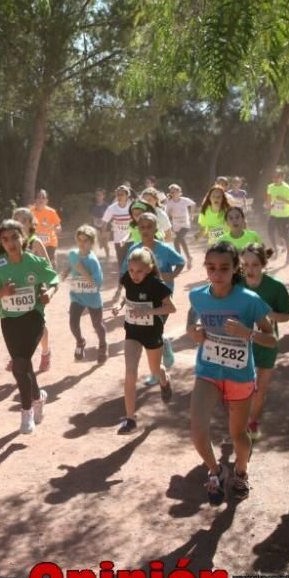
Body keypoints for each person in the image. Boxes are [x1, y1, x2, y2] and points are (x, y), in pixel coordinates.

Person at [188, 242, 275, 503]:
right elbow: (191, 324)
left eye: (224, 268)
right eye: (211, 267)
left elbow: (271, 339)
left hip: (239, 375)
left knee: (238, 435)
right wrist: (193, 332)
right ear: (205, 268)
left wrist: (247, 334)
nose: (217, 273)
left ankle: (241, 471)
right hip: (208, 370)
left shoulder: (249, 300)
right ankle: (216, 471)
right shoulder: (197, 296)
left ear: (235, 268)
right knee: (197, 430)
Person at [0, 220, 59, 435]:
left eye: (15, 237)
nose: (11, 243)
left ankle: (26, 413)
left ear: (23, 238)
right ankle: (38, 397)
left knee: (19, 364)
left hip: (33, 318)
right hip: (10, 321)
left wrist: (48, 294)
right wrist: (2, 292)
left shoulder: (34, 262)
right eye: (5, 240)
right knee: (24, 365)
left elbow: (54, 279)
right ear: (1, 243)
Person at [112, 247, 176, 434]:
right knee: (130, 372)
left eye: (139, 271)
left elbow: (171, 308)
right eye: (131, 270)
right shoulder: (127, 279)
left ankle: (164, 381)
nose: (134, 275)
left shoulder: (155, 284)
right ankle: (130, 419)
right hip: (132, 332)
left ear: (148, 268)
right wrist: (119, 304)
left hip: (152, 332)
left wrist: (149, 311)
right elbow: (126, 294)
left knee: (155, 370)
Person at [240, 244, 289, 441]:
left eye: (255, 265)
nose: (250, 269)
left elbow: (285, 317)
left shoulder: (275, 287)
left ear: (263, 265)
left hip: (266, 343)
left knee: (259, 389)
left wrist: (265, 313)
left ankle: (252, 422)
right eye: (245, 264)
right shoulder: (235, 283)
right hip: (240, 344)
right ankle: (239, 423)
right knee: (240, 387)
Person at [122, 212, 186, 369]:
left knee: (154, 328)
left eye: (149, 227)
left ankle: (157, 365)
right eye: (142, 227)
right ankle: (161, 349)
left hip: (162, 297)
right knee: (149, 329)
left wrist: (172, 275)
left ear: (156, 228)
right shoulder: (134, 250)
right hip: (142, 298)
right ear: (138, 229)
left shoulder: (164, 249)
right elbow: (125, 271)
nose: (145, 230)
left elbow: (181, 262)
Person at [12, 207, 54, 372]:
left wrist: (44, 287)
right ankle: (19, 357)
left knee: (37, 325)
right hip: (16, 290)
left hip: (35, 289)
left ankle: (45, 352)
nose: (19, 223)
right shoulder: (9, 242)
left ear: (31, 223)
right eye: (16, 219)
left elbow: (48, 267)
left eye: (23, 220)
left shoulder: (35, 242)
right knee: (16, 324)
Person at [63, 225, 107, 363]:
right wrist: (66, 271)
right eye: (79, 240)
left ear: (91, 243)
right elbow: (72, 263)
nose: (82, 243)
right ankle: (80, 342)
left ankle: (103, 345)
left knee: (97, 325)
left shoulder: (93, 261)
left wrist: (81, 270)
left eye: (85, 241)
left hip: (92, 298)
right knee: (73, 323)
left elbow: (96, 284)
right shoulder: (73, 254)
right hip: (77, 296)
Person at [103, 185, 136, 302]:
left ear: (127, 195)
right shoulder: (112, 208)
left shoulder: (132, 207)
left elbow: (138, 221)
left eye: (122, 194)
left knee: (133, 265)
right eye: (118, 194)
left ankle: (133, 289)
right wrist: (104, 234)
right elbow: (104, 221)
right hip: (118, 242)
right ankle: (120, 288)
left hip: (132, 240)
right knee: (122, 267)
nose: (119, 196)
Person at [266, 171, 289, 261]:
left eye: (277, 177)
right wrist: (269, 205)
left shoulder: (287, 188)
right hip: (274, 214)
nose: (275, 179)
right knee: (270, 231)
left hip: (285, 215)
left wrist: (283, 199)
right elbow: (268, 199)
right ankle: (275, 249)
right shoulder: (270, 187)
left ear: (282, 178)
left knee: (284, 234)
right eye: (274, 177)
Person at [165, 183, 196, 268]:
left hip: (185, 224)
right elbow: (166, 214)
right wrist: (170, 214)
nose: (173, 194)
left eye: (175, 192)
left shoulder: (184, 200)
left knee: (177, 240)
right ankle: (189, 257)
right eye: (171, 192)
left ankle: (179, 260)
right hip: (176, 226)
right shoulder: (169, 203)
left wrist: (192, 215)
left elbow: (193, 204)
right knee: (181, 240)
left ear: (179, 192)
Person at [31, 189, 62, 264]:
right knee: (36, 264)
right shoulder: (30, 211)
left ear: (46, 201)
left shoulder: (51, 212)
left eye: (43, 197)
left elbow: (59, 227)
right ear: (35, 200)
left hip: (50, 243)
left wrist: (55, 228)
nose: (41, 199)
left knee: (46, 264)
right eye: (39, 197)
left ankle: (52, 260)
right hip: (36, 242)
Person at [91, 188, 111, 259]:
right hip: (96, 225)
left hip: (106, 226)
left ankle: (108, 256)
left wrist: (104, 226)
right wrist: (96, 222)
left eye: (100, 195)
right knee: (97, 238)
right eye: (97, 195)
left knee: (105, 243)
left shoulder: (107, 206)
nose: (98, 196)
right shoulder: (93, 206)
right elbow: (92, 217)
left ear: (103, 196)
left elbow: (109, 217)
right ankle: (94, 255)